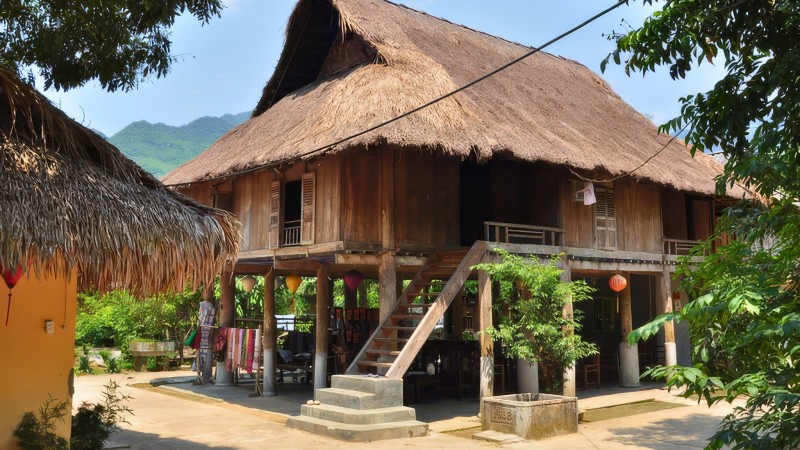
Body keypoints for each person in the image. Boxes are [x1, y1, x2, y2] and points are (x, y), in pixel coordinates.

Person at [197, 298, 215, 384]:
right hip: (203, 335)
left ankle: (202, 372)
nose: (200, 310)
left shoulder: (207, 315)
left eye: (201, 309)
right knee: (200, 352)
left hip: (206, 334)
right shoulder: (203, 318)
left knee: (203, 352)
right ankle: (199, 369)